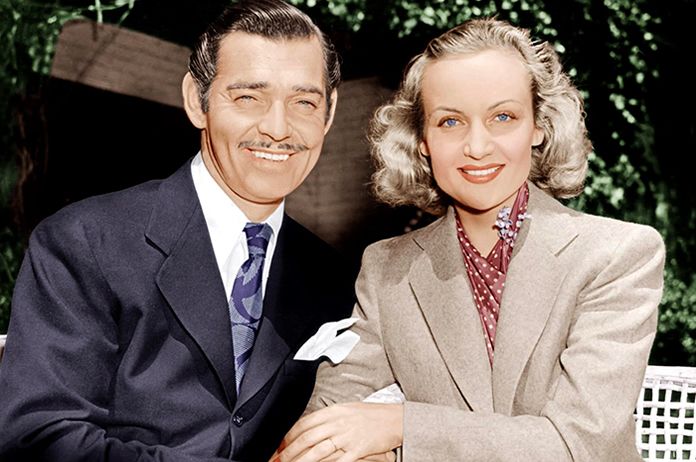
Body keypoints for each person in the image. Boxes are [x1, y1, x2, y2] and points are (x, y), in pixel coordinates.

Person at [274, 17, 665, 462]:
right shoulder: (387, 269)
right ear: (422, 140)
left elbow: (579, 445)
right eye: (450, 121)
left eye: (503, 117)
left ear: (538, 125)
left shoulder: (617, 255)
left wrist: (402, 427)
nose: (477, 147)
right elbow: (329, 420)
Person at [0, 1, 357, 460]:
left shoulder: (335, 280)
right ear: (196, 100)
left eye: (303, 102)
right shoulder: (85, 243)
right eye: (248, 98)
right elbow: (38, 437)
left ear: (329, 113)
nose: (277, 128)